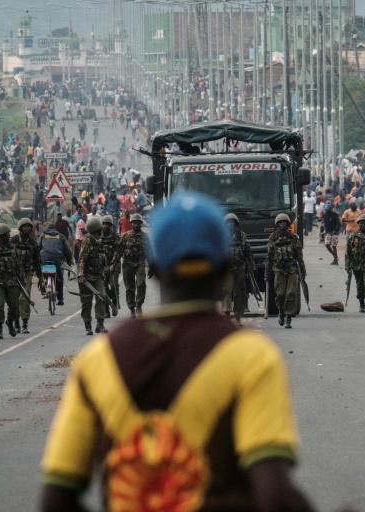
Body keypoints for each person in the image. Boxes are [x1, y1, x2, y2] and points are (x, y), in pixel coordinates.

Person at [40, 192, 315, 512]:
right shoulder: (251, 357)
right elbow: (275, 497)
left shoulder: (98, 358)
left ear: (155, 266)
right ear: (224, 266)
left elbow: (55, 499)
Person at [266, 213, 305, 328]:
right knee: (280, 294)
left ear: (288, 224)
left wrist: (302, 270)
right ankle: (281, 312)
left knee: (290, 293)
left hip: (291, 269)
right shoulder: (273, 238)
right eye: (280, 223)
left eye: (284, 222)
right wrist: (267, 272)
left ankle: (288, 318)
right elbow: (269, 256)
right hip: (278, 270)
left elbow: (299, 255)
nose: (282, 224)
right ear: (277, 225)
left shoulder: (293, 238)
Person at [11, 218, 44, 334]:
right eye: (24, 226)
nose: (27, 228)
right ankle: (15, 321)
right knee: (14, 299)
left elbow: (37, 262)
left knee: (25, 297)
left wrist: (41, 278)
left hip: (27, 274)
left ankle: (24, 322)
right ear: (20, 228)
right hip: (14, 274)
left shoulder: (33, 243)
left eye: (29, 226)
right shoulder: (13, 241)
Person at [77, 216, 109, 335]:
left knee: (102, 296)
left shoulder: (100, 242)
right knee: (86, 302)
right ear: (94, 231)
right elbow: (81, 260)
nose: (100, 233)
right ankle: (88, 325)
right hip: (86, 277)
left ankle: (100, 324)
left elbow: (103, 258)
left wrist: (106, 269)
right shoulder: (87, 242)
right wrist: (80, 275)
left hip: (98, 276)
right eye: (98, 232)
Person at [223, 213, 254, 324]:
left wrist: (250, 266)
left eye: (233, 223)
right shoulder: (222, 236)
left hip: (240, 268)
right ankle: (227, 312)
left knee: (239, 293)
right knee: (226, 290)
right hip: (226, 269)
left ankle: (238, 316)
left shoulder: (242, 236)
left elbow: (247, 252)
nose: (231, 225)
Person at [115, 213, 148, 318]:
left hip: (140, 263)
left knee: (141, 284)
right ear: (131, 223)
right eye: (134, 223)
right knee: (129, 288)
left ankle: (139, 305)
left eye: (138, 223)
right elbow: (119, 250)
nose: (136, 225)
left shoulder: (145, 237)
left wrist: (152, 266)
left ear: (141, 224)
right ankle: (132, 309)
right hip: (127, 263)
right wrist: (114, 262)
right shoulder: (125, 235)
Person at [345, 214, 365, 313]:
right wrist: (348, 266)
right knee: (360, 285)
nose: (363, 225)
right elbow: (348, 252)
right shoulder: (353, 237)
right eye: (361, 223)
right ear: (358, 224)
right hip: (356, 265)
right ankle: (361, 303)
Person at [39, 224, 73, 306]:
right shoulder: (61, 236)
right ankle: (60, 299)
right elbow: (67, 251)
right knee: (59, 278)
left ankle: (44, 286)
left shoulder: (43, 236)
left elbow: (37, 247)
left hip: (45, 259)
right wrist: (69, 261)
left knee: (43, 273)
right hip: (57, 260)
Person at [100, 215, 120, 317]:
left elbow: (118, 251)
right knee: (104, 288)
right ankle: (106, 309)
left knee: (114, 286)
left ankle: (114, 303)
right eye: (104, 224)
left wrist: (113, 263)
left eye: (107, 225)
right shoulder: (98, 237)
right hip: (103, 266)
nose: (105, 226)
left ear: (111, 226)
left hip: (114, 265)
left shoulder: (115, 236)